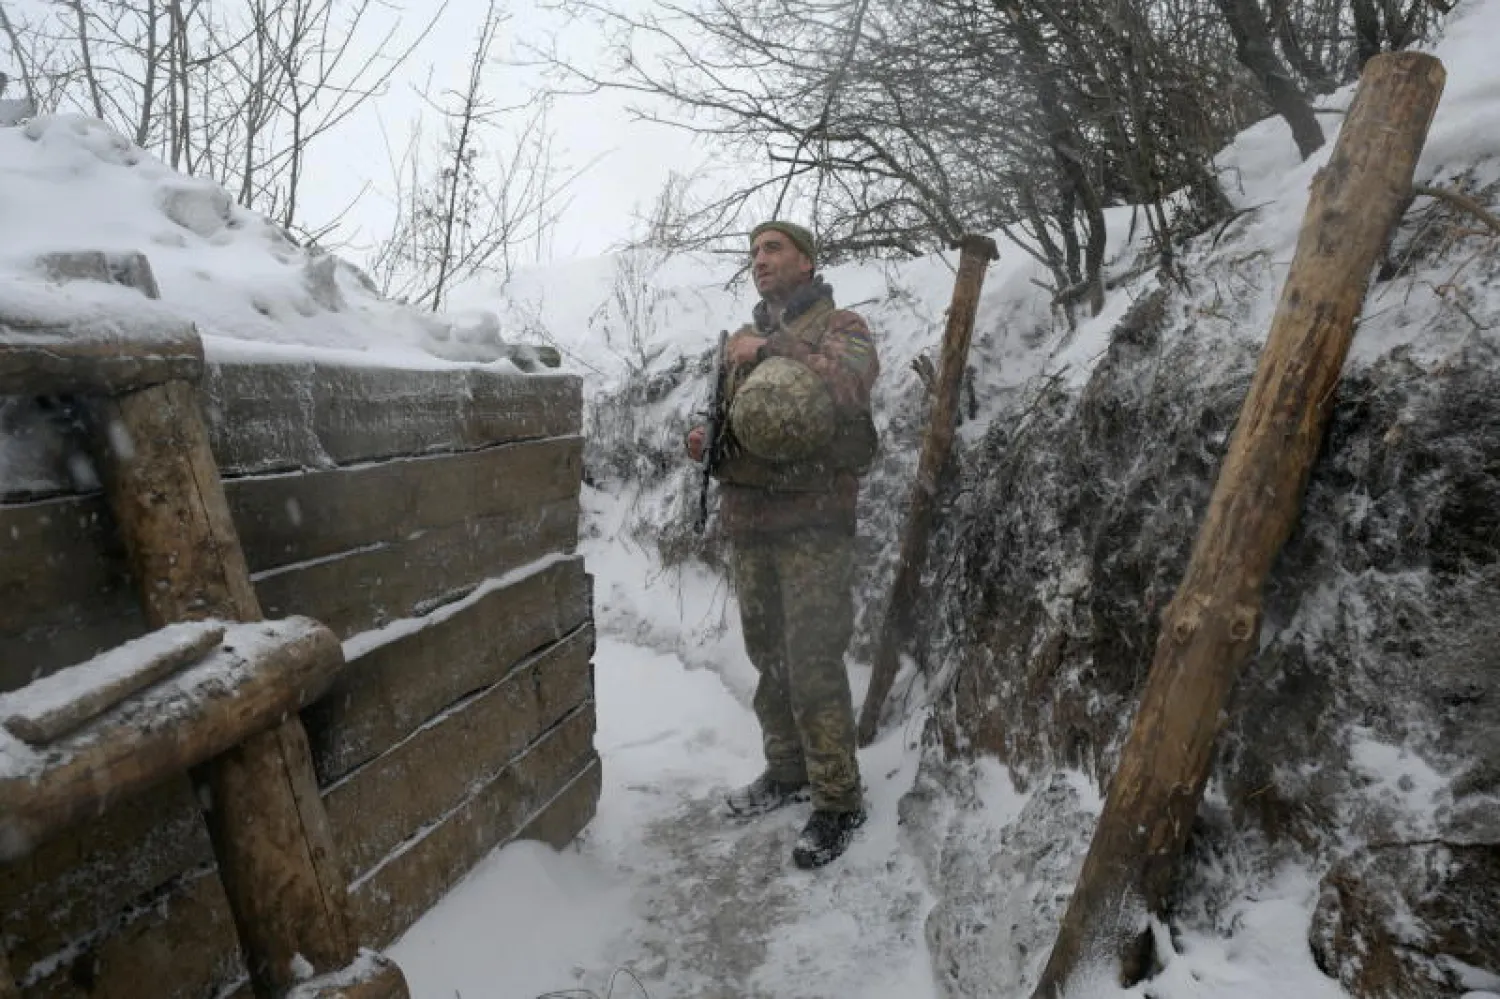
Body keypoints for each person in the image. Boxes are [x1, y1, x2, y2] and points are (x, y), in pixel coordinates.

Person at [685, 220, 880, 869]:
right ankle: (787, 769)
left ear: (806, 259)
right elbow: (748, 424)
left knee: (813, 660)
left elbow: (849, 387)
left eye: (773, 248)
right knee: (768, 655)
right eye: (754, 252)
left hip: (814, 525)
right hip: (751, 522)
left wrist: (768, 354)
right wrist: (709, 442)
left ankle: (838, 799)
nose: (760, 260)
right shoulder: (744, 340)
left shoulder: (840, 325)